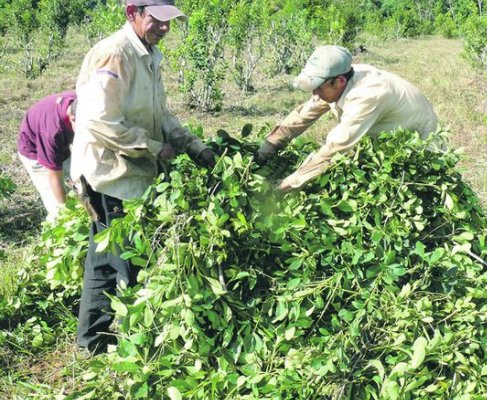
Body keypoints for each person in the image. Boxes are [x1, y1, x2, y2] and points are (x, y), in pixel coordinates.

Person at [70, 0, 216, 354]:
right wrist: (151, 147)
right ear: (132, 13)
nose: (164, 28)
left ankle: (106, 340)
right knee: (115, 262)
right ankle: (105, 345)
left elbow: (160, 114)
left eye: (169, 22)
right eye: (156, 20)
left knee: (118, 258)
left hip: (132, 172)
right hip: (109, 174)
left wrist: (194, 147)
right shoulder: (115, 54)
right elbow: (98, 121)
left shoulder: (148, 54)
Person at [256, 45, 442, 192]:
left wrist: (286, 185)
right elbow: (304, 114)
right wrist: (268, 147)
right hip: (385, 130)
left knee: (406, 185)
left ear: (339, 82)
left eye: (319, 87)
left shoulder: (367, 95)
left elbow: (336, 148)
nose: (315, 92)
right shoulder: (337, 78)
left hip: (417, 141)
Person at [16, 91, 77, 222]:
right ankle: (60, 229)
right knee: (57, 204)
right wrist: (66, 211)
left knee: (77, 186)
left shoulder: (84, 102)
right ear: (73, 118)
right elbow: (54, 177)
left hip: (62, 142)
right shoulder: (52, 132)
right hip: (35, 151)